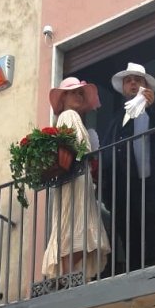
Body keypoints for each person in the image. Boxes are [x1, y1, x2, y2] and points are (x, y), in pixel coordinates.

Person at [101, 62, 155, 272]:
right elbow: (107, 150)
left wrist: (153, 107)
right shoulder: (116, 119)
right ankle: (133, 270)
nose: (132, 83)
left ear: (145, 86)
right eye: (128, 81)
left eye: (137, 80)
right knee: (126, 231)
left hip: (148, 184)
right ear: (124, 87)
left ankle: (154, 269)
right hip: (121, 188)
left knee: (152, 225)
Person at [41, 77, 111, 282]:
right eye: (74, 93)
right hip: (74, 180)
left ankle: (70, 273)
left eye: (81, 93)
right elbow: (75, 147)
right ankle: (68, 274)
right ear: (63, 99)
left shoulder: (74, 119)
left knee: (77, 226)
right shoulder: (68, 115)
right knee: (75, 225)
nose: (79, 96)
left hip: (79, 180)